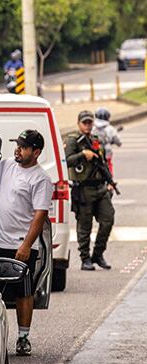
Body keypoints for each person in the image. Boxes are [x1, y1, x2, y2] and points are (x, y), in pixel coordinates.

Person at [0, 130, 52, 357]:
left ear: (36, 152)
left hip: (19, 245)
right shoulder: (7, 166)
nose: (18, 150)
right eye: (17, 145)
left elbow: (40, 215)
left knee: (23, 292)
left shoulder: (40, 179)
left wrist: (26, 246)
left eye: (23, 147)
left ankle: (23, 338)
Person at [66, 110, 116, 271]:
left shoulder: (96, 140)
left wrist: (110, 181)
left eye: (90, 122)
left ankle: (98, 254)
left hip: (100, 187)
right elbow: (66, 161)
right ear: (79, 124)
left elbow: (103, 162)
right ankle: (85, 258)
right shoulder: (73, 140)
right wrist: (82, 154)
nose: (87, 125)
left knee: (108, 219)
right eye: (84, 122)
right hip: (83, 189)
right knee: (84, 226)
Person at [93, 107, 122, 173]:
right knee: (108, 164)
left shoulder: (93, 128)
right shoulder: (110, 128)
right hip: (107, 151)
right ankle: (110, 177)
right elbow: (118, 142)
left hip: (95, 150)